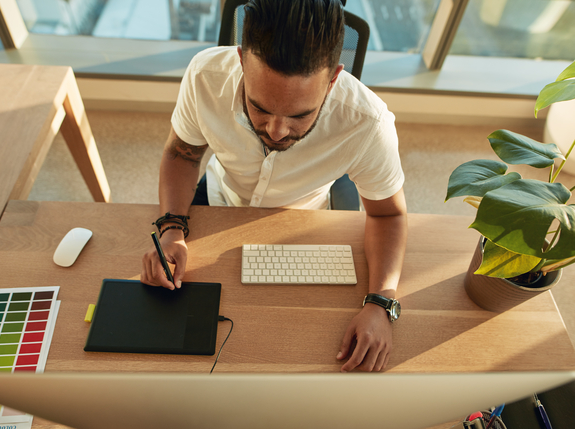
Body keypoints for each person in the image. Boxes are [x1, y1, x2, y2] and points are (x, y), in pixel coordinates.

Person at [141, 0, 407, 373]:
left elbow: (389, 213)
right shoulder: (204, 75)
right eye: (260, 107)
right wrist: (171, 229)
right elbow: (183, 154)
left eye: (299, 115)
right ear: (240, 61)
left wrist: (381, 302)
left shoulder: (367, 122)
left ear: (332, 78)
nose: (276, 131)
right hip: (215, 201)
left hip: (304, 222)